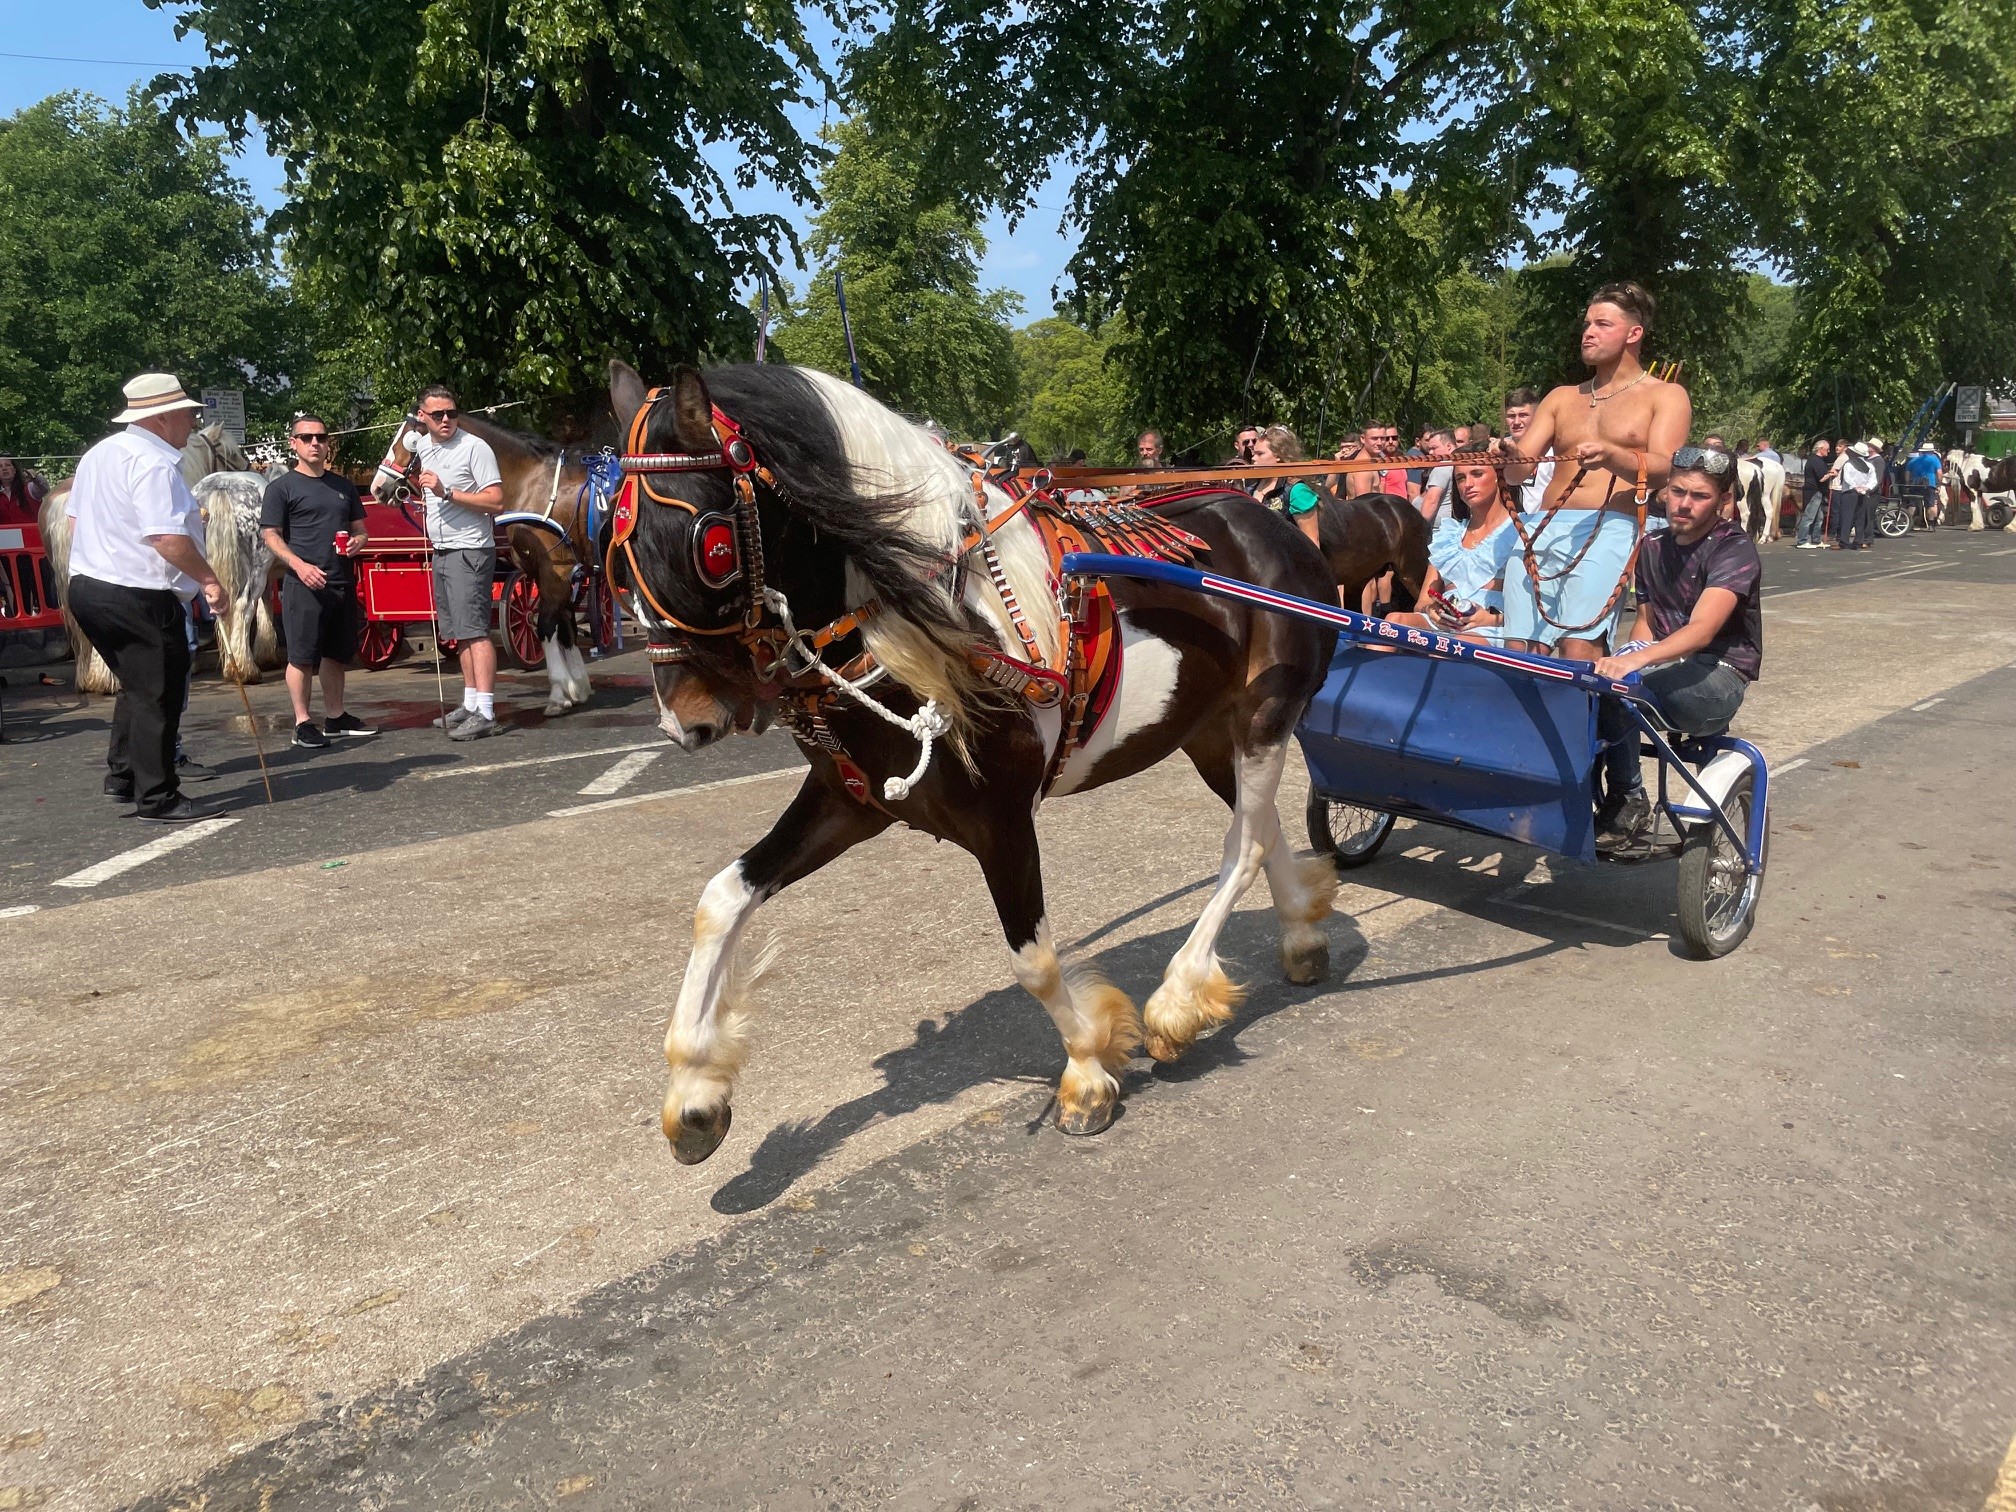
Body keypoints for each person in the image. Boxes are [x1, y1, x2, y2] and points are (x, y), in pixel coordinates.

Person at [62, 374, 229, 822]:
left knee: (139, 686)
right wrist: (210, 581)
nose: (193, 423)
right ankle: (158, 796)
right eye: (188, 414)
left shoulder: (100, 454)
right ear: (161, 417)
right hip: (137, 591)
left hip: (90, 587)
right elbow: (166, 538)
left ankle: (123, 774)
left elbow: (76, 523)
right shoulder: (154, 463)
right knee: (160, 692)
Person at [1501, 281, 1692, 660]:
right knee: (1521, 646)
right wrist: (1507, 454)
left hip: (1613, 526)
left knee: (1577, 643)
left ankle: (1581, 718)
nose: (1588, 333)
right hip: (1542, 527)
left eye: (1603, 324)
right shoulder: (1560, 397)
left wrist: (1612, 455)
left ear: (1634, 333)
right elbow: (1516, 474)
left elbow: (1666, 469)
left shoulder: (1665, 395)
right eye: (1587, 324)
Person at [1592, 445, 1761, 848]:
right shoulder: (1651, 546)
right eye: (1678, 491)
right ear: (1665, 490)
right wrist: (1624, 659)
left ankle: (1629, 799)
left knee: (1624, 690)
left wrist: (1635, 665)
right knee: (1587, 688)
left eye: (1700, 496)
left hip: (1719, 674)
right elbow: (1646, 625)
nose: (1684, 505)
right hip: (1665, 664)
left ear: (1724, 502)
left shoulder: (1733, 548)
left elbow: (1702, 631)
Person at [260, 413, 376, 748]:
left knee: (337, 654)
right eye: (308, 438)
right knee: (301, 656)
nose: (316, 443)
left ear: (329, 444)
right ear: (293, 444)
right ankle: (302, 723)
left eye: (321, 438)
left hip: (341, 579)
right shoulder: (281, 488)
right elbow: (270, 536)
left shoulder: (342, 486)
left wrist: (359, 542)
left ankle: (336, 717)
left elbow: (361, 530)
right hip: (304, 583)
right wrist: (300, 565)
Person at [409, 385, 507, 738]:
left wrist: (445, 492)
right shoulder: (423, 446)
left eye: (452, 412)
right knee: (459, 633)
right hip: (443, 548)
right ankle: (469, 702)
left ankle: (486, 710)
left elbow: (496, 501)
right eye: (438, 415)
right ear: (423, 417)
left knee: (476, 631)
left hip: (470, 549)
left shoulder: (474, 448)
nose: (447, 419)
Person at [1385, 461, 1516, 643]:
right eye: (1460, 478)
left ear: (1499, 477)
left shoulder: (1518, 532)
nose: (1467, 484)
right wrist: (1431, 611)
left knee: (1459, 642)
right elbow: (1422, 602)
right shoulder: (1449, 536)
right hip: (1444, 624)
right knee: (1393, 622)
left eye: (1477, 474)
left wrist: (1491, 619)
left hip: (1491, 626)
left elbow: (1534, 610)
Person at [1252, 426, 1322, 543]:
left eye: (1260, 454)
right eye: (1253, 453)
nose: (1253, 458)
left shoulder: (1297, 491)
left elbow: (1312, 543)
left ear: (1279, 455)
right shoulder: (1252, 486)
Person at [1499, 387, 1555, 510]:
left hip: (1542, 521)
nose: (1517, 422)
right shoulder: (1499, 449)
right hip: (1508, 522)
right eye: (1511, 416)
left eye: (1523, 415)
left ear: (1536, 417)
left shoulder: (1552, 452)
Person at [1833, 442, 1878, 550]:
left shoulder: (1849, 464)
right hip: (1863, 493)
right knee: (1860, 518)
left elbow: (1848, 479)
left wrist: (1856, 487)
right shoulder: (1869, 466)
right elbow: (1874, 480)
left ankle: (1844, 541)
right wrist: (1866, 487)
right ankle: (1858, 540)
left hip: (1850, 492)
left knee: (1847, 517)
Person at [1796, 438, 1833, 548]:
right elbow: (1821, 478)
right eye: (1827, 449)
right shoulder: (1815, 460)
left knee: (1819, 518)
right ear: (1821, 449)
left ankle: (1816, 540)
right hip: (1813, 492)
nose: (1828, 451)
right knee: (1809, 517)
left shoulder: (1816, 460)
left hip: (1817, 492)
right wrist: (1831, 474)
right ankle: (1802, 541)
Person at [1416, 428, 1457, 525]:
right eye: (1429, 449)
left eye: (1434, 448)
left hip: (1438, 531)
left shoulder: (1442, 467)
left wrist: (1421, 527)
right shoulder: (1458, 465)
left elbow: (1432, 500)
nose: (1430, 453)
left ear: (1449, 446)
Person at [1904, 441, 1943, 524]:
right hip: (1929, 484)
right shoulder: (1934, 460)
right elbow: (1939, 473)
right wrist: (1939, 484)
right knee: (1930, 505)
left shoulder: (1912, 461)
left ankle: (1906, 523)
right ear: (1932, 451)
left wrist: (1908, 485)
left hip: (1915, 484)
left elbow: (1907, 475)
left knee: (1912, 505)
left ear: (1922, 451)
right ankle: (1930, 524)